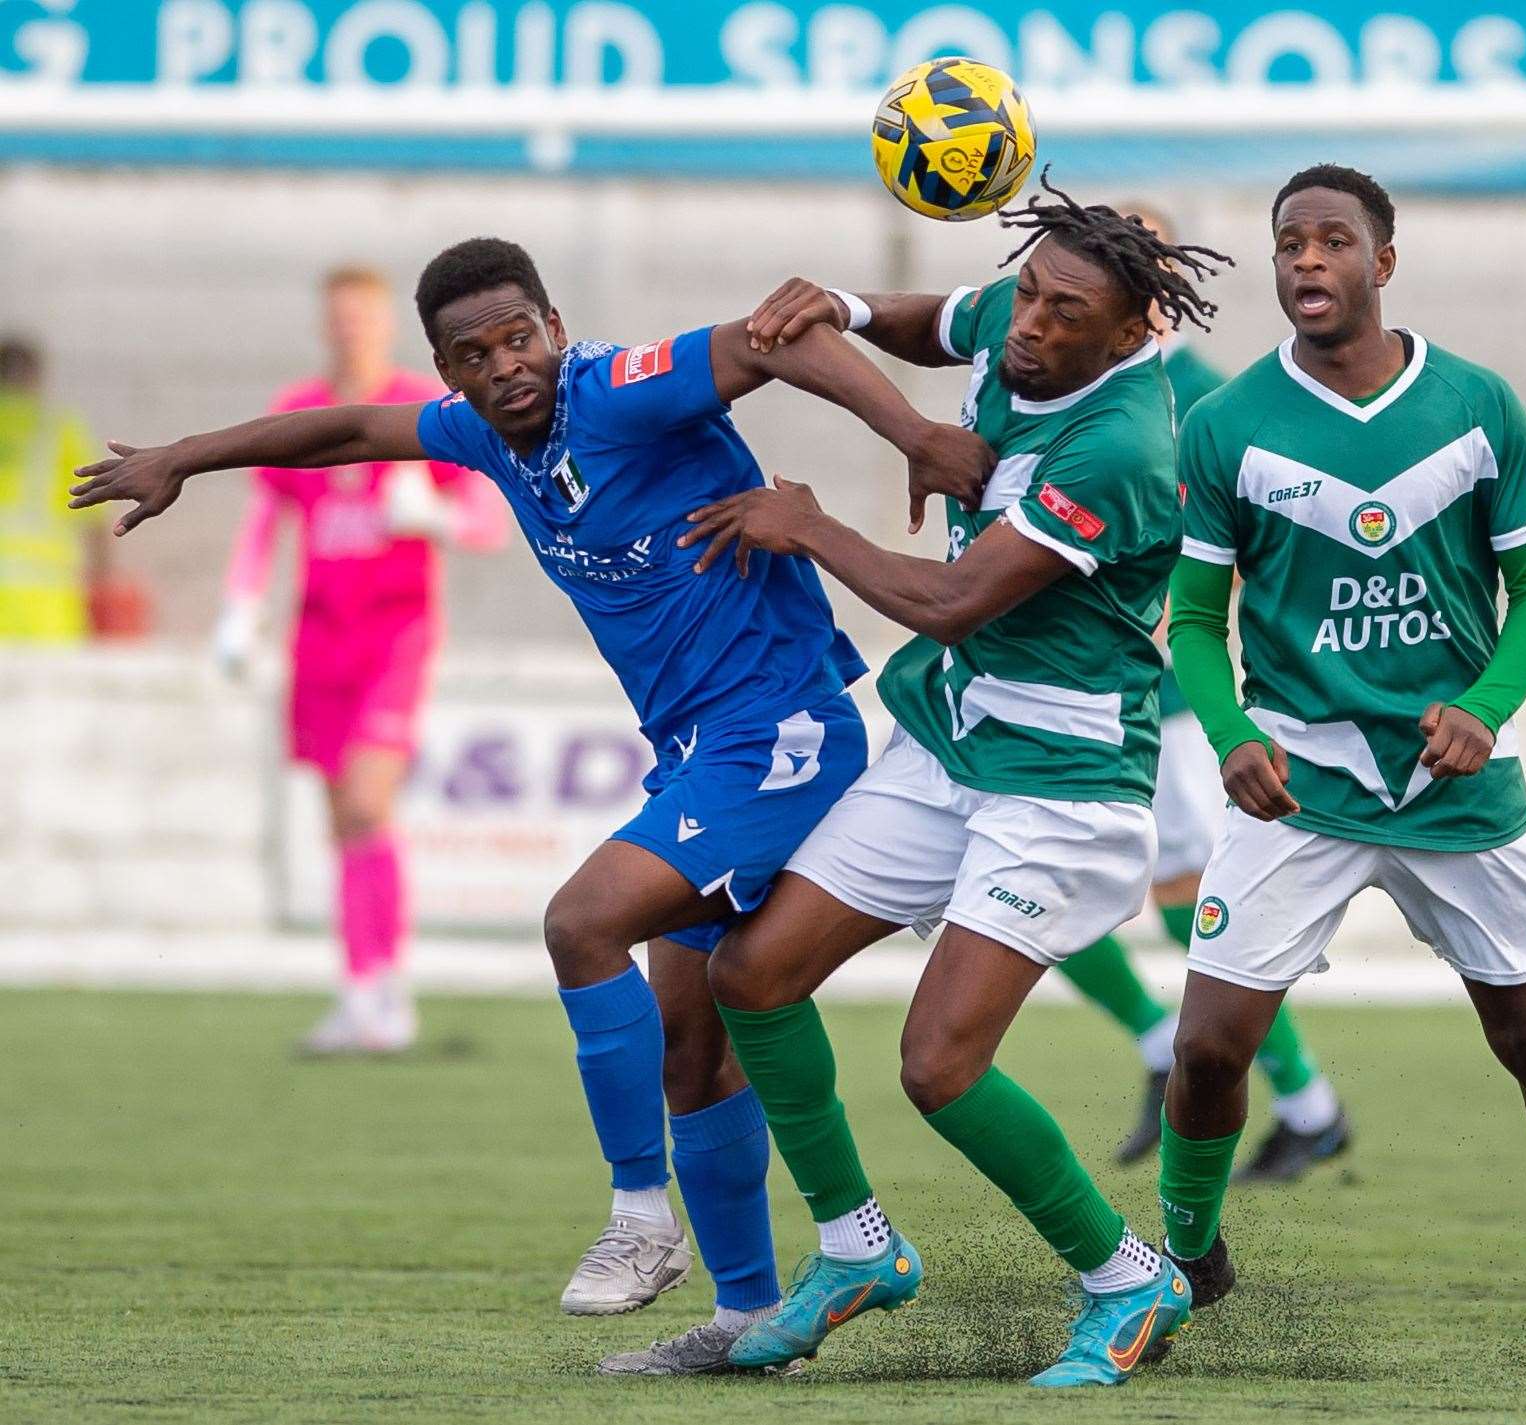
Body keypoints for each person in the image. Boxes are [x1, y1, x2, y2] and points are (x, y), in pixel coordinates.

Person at [68, 236, 993, 1375]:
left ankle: (639, 1216)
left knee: (582, 922)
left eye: (520, 337)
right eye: (474, 353)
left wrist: (916, 435)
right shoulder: (482, 434)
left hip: (783, 731)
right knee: (693, 1054)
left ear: (556, 326)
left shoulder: (616, 390)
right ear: (447, 375)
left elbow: (781, 336)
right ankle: (756, 1321)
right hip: (698, 750)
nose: (506, 365)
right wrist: (185, 458)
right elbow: (353, 430)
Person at [690, 176, 1231, 1387]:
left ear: (1133, 330)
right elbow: (926, 319)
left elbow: (949, 598)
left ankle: (1127, 1279)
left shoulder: (1125, 444)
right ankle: (854, 1249)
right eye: (1028, 294)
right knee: (753, 974)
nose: (1030, 326)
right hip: (946, 744)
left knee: (938, 1064)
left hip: (1061, 780)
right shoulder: (1020, 318)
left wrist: (811, 526)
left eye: (1062, 313)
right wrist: (835, 297)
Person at [1155, 165, 1526, 1368]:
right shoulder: (1227, 424)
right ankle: (1185, 1259)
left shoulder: (1476, 404)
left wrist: (1485, 708)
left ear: (1384, 263)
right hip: (1301, 781)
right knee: (1206, 1049)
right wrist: (1231, 730)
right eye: (1290, 243)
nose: (1308, 262)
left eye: (1334, 242)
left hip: (1457, 786)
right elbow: (1190, 617)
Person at [1062, 205, 1352, 1179]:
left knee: (1188, 898)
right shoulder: (1071, 381)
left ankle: (1301, 1100)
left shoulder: (1204, 403)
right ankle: (1225, 1071)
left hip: (1162, 699)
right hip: (1065, 688)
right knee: (1041, 884)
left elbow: (1239, 549)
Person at [214, 266, 507, 1056]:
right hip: (318, 638)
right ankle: (361, 992)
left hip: (395, 634)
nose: (350, 329)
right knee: (342, 817)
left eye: (364, 317)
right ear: (325, 324)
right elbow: (263, 519)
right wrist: (241, 609)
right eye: (338, 316)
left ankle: (388, 992)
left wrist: (434, 516)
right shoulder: (300, 413)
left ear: (387, 325)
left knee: (369, 801)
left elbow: (489, 519)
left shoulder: (426, 408)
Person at [0, 336, 109, 642]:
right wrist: (102, 582)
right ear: (36, 377)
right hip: (46, 597)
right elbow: (95, 515)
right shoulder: (57, 429)